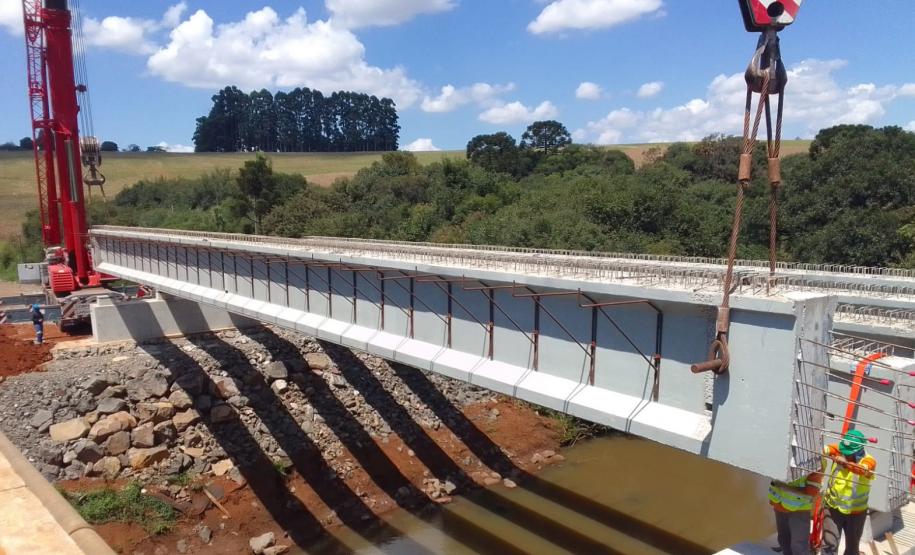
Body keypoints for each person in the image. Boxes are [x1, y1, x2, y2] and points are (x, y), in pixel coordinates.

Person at [821, 429, 876, 555]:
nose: (845, 454)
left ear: (858, 451)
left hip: (856, 513)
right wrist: (824, 450)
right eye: (843, 452)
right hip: (833, 508)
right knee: (829, 545)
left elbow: (863, 470)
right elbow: (826, 449)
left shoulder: (869, 461)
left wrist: (846, 464)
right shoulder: (841, 450)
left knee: (852, 548)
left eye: (848, 453)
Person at [769, 468, 823, 555]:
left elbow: (812, 491)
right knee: (783, 540)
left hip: (800, 509)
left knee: (798, 545)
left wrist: (787, 487)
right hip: (779, 504)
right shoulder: (781, 456)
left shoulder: (812, 460)